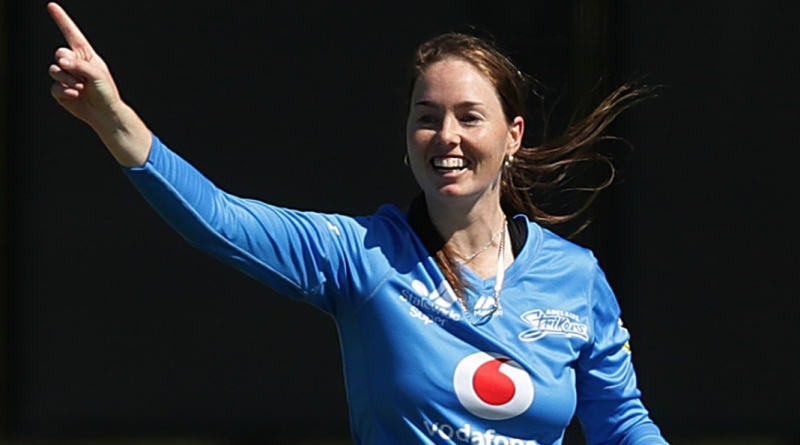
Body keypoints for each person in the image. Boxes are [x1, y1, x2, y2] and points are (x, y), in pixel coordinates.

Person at [47, 2, 669, 444]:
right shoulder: (362, 255)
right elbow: (217, 219)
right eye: (427, 117)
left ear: (513, 136)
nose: (446, 135)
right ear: (407, 137)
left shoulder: (575, 276)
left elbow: (621, 425)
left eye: (469, 116)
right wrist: (112, 118)